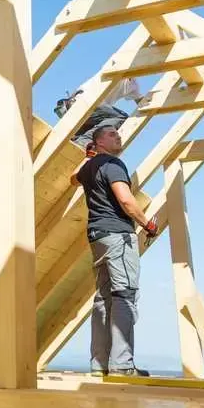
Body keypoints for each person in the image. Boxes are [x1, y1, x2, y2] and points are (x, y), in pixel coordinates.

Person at [70, 125, 159, 376]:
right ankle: (122, 365)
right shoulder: (113, 164)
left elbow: (72, 179)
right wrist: (147, 224)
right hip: (118, 236)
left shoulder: (89, 167)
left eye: (118, 133)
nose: (117, 136)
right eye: (111, 134)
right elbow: (126, 199)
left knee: (103, 298)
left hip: (97, 237)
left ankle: (99, 365)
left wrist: (87, 157)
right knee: (124, 296)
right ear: (98, 143)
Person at [55, 78, 143, 154]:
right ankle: (82, 142)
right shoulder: (121, 66)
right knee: (121, 118)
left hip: (87, 111)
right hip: (83, 103)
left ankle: (76, 145)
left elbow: (142, 102)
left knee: (81, 141)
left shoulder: (133, 85)